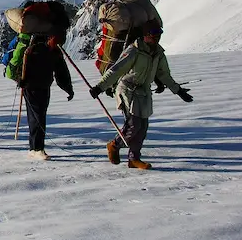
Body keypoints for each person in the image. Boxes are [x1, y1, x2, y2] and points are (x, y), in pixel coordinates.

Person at [90, 22, 193, 169]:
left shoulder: (158, 53)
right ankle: (114, 145)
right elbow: (117, 70)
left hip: (143, 92)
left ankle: (134, 159)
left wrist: (178, 91)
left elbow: (164, 75)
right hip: (127, 90)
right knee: (133, 125)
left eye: (159, 35)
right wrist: (100, 87)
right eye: (153, 35)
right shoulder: (134, 51)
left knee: (143, 127)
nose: (157, 38)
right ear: (145, 36)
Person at [18, 35, 74, 160]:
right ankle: (37, 148)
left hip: (35, 87)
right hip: (35, 87)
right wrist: (68, 88)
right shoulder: (51, 51)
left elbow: (61, 71)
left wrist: (21, 80)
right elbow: (61, 72)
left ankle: (34, 148)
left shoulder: (36, 49)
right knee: (38, 117)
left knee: (36, 116)